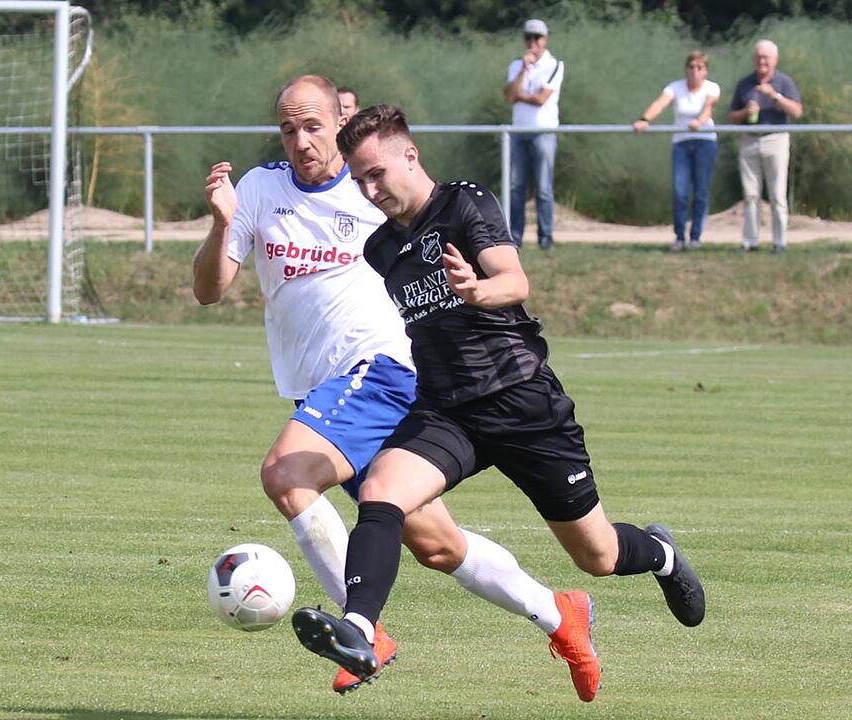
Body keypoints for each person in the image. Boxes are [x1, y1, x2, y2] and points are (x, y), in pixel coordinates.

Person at [194, 75, 601, 701]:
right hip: (323, 395)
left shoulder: (372, 191)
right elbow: (208, 290)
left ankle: (363, 631)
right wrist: (222, 223)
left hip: (377, 371)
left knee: (286, 474)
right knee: (437, 546)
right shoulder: (259, 189)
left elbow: (438, 217)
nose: (301, 141)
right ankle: (561, 614)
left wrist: (478, 289)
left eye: (313, 126)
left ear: (341, 122)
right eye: (288, 129)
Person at [292, 105, 706, 692]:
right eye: (359, 179)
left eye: (377, 173)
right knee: (381, 491)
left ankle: (660, 553)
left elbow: (515, 281)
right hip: (446, 411)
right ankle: (359, 629)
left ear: (410, 155)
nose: (370, 189)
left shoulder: (465, 203)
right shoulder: (380, 248)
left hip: (522, 403)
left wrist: (477, 290)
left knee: (599, 556)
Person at [634, 51, 721, 252]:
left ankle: (696, 237)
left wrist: (699, 122)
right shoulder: (675, 87)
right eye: (691, 67)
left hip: (705, 142)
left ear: (705, 71)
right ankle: (680, 237)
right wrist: (645, 119)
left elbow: (709, 108)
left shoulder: (712, 87)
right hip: (681, 144)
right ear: (686, 69)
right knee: (680, 191)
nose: (694, 71)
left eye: (699, 67)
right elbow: (660, 104)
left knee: (700, 191)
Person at [729, 39, 803, 253]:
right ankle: (750, 242)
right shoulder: (744, 84)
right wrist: (746, 112)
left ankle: (779, 242)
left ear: (775, 60)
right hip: (749, 139)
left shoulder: (784, 82)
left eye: (766, 57)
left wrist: (775, 96)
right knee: (750, 194)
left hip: (776, 139)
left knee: (777, 194)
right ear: (753, 59)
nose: (762, 61)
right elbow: (733, 117)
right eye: (759, 57)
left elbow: (797, 111)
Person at [503, 18, 563, 250]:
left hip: (544, 132)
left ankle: (546, 238)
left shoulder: (555, 65)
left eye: (537, 38)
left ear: (545, 40)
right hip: (518, 132)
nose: (532, 42)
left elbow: (541, 99)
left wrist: (519, 96)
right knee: (516, 188)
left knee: (543, 188)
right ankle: (514, 238)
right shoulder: (516, 65)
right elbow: (509, 94)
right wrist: (523, 70)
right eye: (528, 37)